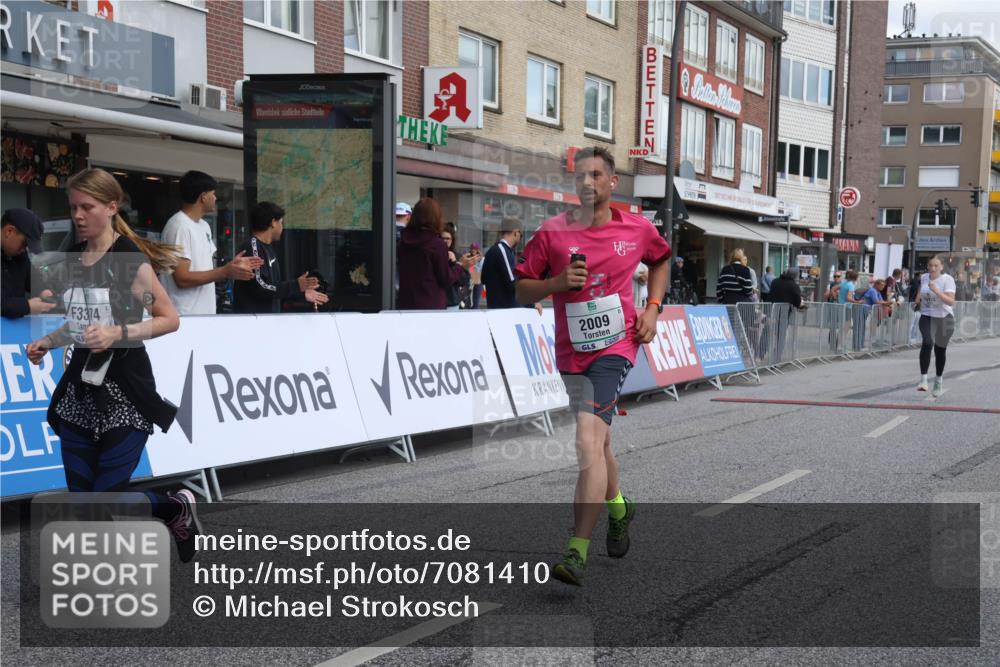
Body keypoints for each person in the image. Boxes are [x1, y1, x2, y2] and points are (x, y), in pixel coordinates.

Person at [23, 168, 201, 562]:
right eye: (73, 207)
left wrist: (117, 333)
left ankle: (172, 508)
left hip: (125, 394)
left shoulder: (130, 261)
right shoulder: (75, 258)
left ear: (111, 207)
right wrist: (49, 342)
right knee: (85, 506)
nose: (78, 215)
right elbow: (81, 323)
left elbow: (169, 319)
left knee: (105, 501)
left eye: (86, 207)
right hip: (80, 394)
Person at [514, 147, 671, 587]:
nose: (587, 182)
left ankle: (576, 550)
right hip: (572, 352)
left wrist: (653, 308)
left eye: (597, 175)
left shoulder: (637, 228)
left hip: (617, 347)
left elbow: (660, 259)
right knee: (599, 442)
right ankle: (619, 508)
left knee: (586, 438)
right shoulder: (552, 233)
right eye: (581, 175)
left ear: (612, 182)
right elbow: (521, 290)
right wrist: (555, 283)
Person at [159, 170, 262, 315]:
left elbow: (204, 268)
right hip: (183, 316)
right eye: (213, 193)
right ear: (203, 197)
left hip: (204, 314)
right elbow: (182, 279)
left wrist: (232, 267)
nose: (215, 198)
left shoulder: (204, 226)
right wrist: (224, 271)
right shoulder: (179, 226)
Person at [232, 202, 328, 314]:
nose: (282, 227)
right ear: (273, 222)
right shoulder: (253, 247)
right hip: (253, 321)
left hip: (268, 320)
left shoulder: (267, 248)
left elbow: (273, 288)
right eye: (281, 222)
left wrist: (300, 292)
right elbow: (261, 286)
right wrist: (296, 286)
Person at [397, 198, 477, 310]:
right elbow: (446, 279)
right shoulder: (436, 244)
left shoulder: (403, 241)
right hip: (431, 305)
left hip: (406, 303)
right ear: (436, 218)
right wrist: (460, 265)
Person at [1, 208, 56, 319]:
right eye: (24, 243)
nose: (24, 249)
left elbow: (33, 278)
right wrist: (27, 306)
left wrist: (44, 291)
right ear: (9, 231)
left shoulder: (19, 255)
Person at [915, 256, 956, 397]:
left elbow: (950, 302)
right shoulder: (924, 277)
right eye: (930, 265)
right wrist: (917, 300)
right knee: (927, 342)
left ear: (941, 267)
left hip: (944, 318)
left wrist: (937, 291)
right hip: (927, 316)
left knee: (940, 350)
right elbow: (921, 292)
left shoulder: (947, 280)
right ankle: (923, 380)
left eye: (936, 265)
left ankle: (938, 380)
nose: (933, 268)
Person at [481, 217, 526, 309]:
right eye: (521, 235)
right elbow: (513, 284)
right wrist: (531, 303)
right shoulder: (502, 250)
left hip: (497, 307)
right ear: (516, 233)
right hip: (506, 309)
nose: (520, 239)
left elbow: (483, 279)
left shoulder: (494, 250)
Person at [767, 268, 805, 361]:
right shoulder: (793, 285)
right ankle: (776, 357)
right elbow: (797, 301)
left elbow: (770, 294)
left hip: (771, 310)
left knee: (767, 332)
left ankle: (759, 355)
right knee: (781, 335)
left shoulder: (775, 281)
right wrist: (801, 305)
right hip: (784, 313)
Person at [441, 223, 471, 310]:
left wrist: (454, 263)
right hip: (436, 302)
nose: (445, 241)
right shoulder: (434, 255)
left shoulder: (458, 256)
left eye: (447, 238)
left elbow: (465, 280)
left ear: (452, 240)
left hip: (452, 302)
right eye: (442, 238)